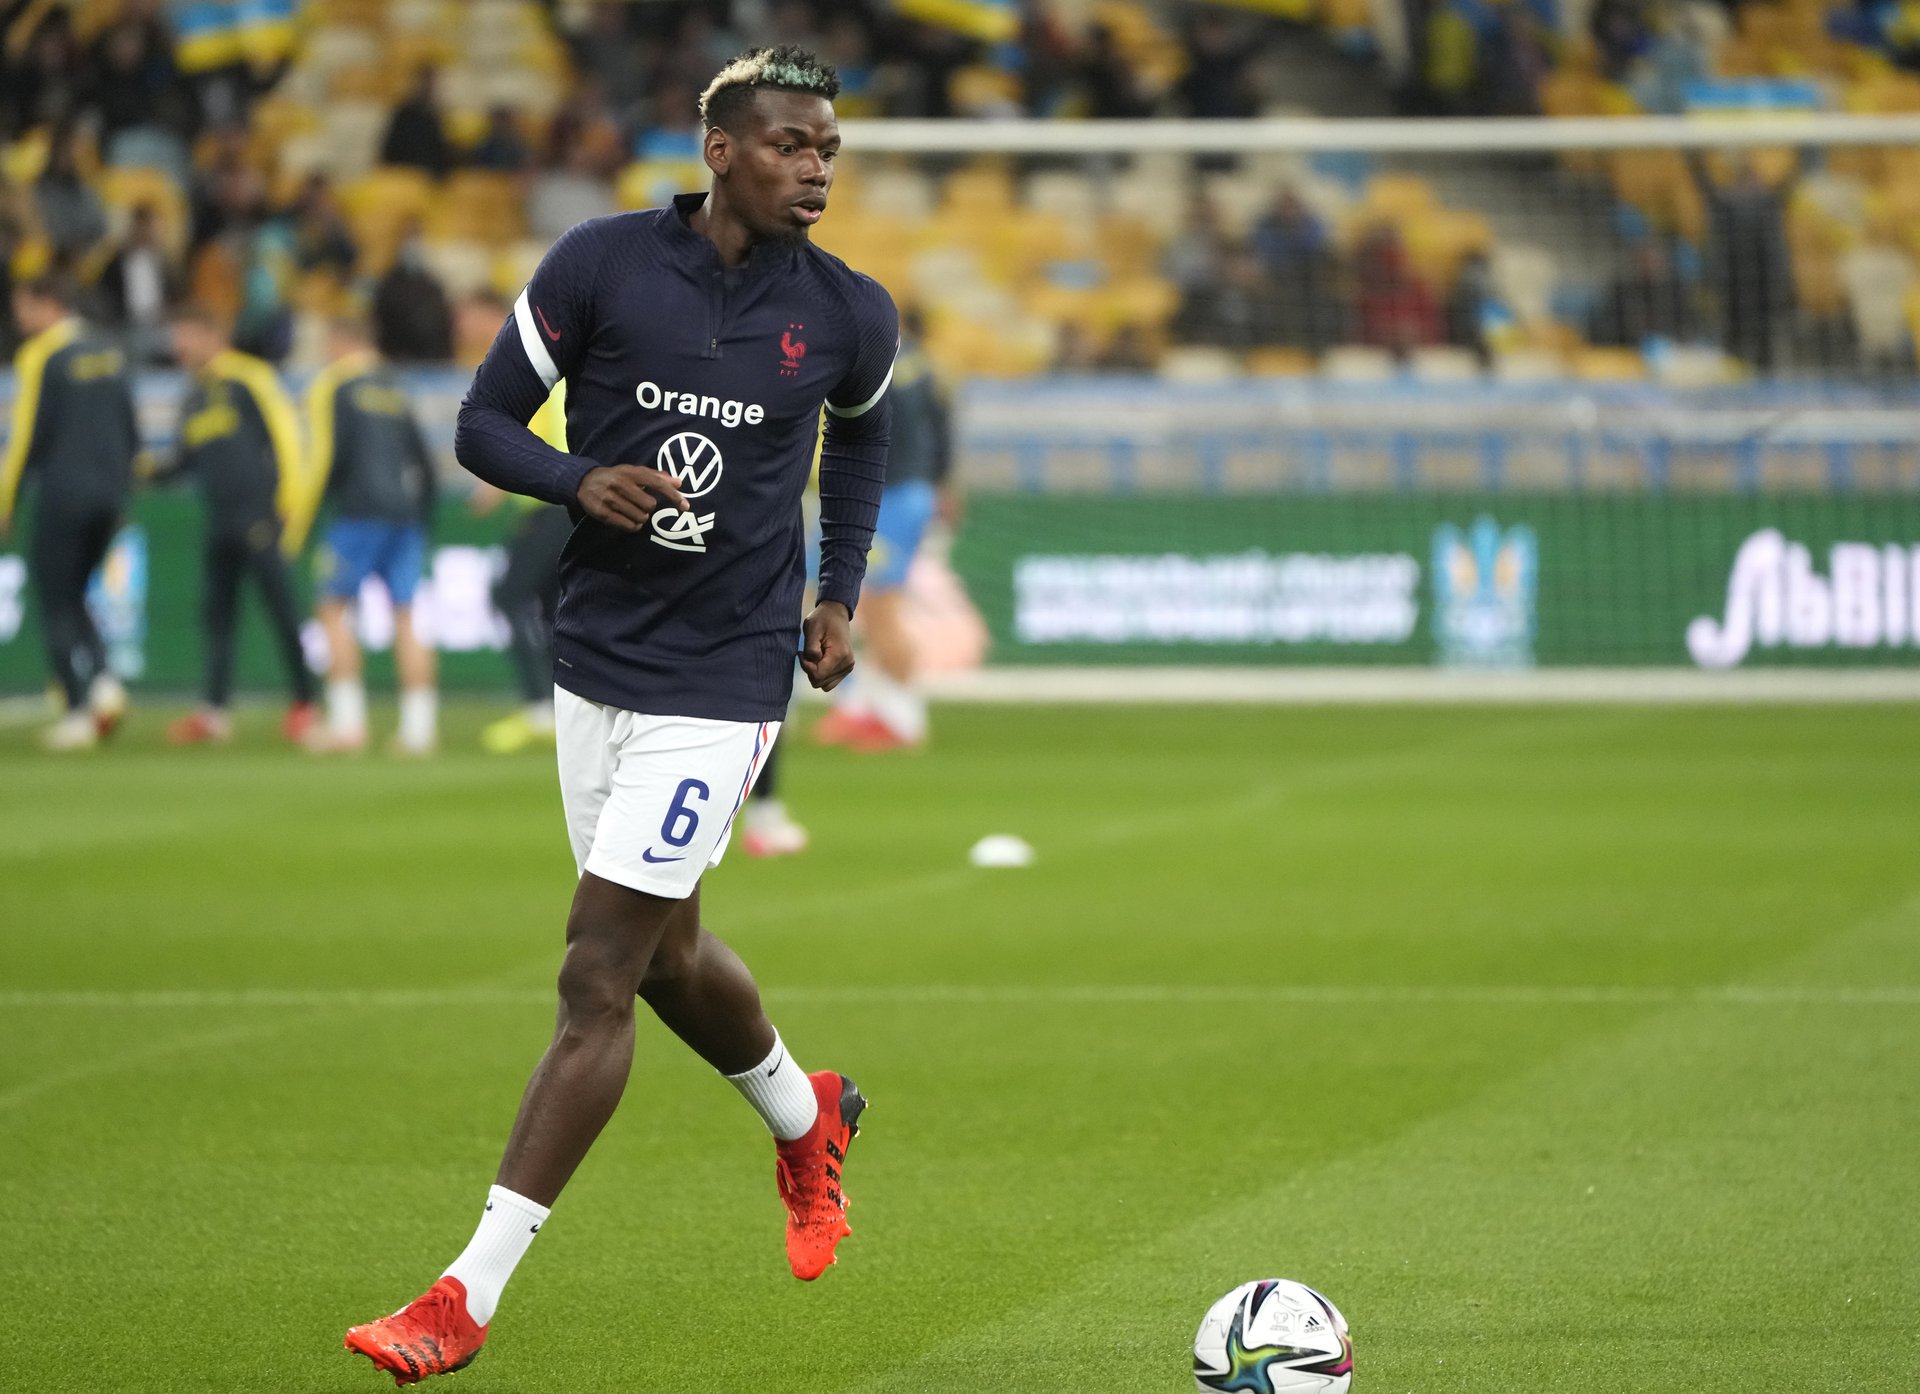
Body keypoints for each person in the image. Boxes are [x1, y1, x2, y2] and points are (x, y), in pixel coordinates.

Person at [343, 46, 895, 1383]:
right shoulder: (599, 265)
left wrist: (838, 590)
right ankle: (805, 1113)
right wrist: (577, 477)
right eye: (790, 145)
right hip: (594, 655)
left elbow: (862, 437)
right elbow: (482, 422)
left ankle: (463, 1294)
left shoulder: (849, 311)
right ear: (720, 149)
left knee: (596, 971)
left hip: (728, 673)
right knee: (665, 955)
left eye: (828, 149)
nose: (815, 168)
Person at [159, 303, 318, 744]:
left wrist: (290, 507)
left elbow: (287, 437)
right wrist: (139, 468)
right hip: (220, 520)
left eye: (186, 335)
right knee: (217, 618)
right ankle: (214, 712)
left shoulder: (250, 377)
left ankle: (306, 703)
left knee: (283, 613)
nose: (178, 345)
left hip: (260, 517)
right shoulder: (193, 394)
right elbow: (183, 459)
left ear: (213, 335)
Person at [0, 274, 137, 750]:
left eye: (23, 305)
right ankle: (104, 682)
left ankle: (77, 711)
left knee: (55, 597)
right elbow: (130, 427)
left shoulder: (40, 356)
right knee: (75, 593)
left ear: (47, 303)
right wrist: (123, 492)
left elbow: (25, 435)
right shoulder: (109, 351)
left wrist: (7, 499)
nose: (18, 317)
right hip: (110, 494)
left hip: (63, 492)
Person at [814, 307, 948, 751]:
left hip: (892, 494)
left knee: (879, 606)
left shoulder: (887, 365)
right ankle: (867, 709)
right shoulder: (922, 367)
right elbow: (942, 431)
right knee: (863, 605)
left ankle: (903, 719)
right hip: (903, 491)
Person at [306, 314, 440, 754]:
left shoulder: (337, 387)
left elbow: (327, 456)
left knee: (332, 609)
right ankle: (418, 731)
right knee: (406, 616)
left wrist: (308, 516)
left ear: (342, 341)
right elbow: (425, 465)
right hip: (405, 516)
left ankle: (347, 725)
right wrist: (422, 519)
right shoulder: (396, 390)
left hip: (359, 513)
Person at [476, 381, 572, 755]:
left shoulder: (544, 384)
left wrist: (492, 486)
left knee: (509, 595)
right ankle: (562, 705)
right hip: (571, 506)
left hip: (547, 507)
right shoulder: (572, 383)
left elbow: (525, 442)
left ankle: (539, 707)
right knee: (554, 608)